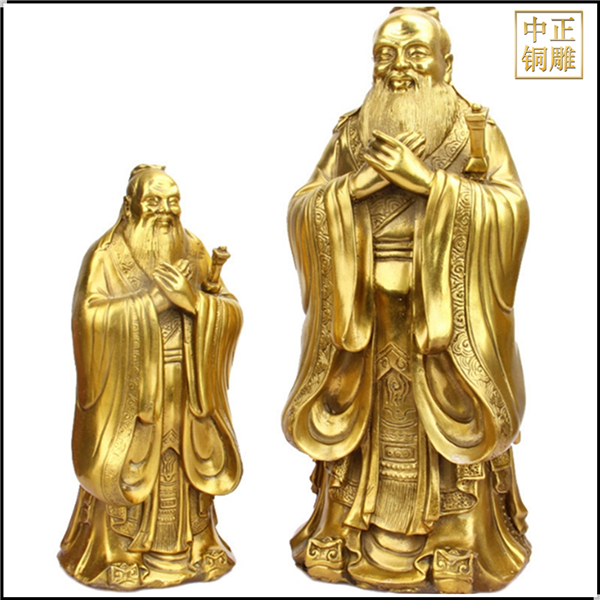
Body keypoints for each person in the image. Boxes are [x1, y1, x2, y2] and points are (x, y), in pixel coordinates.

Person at [283, 7, 531, 593]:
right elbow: (304, 205)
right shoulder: (352, 133)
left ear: (447, 63)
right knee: (357, 420)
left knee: (453, 418)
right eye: (385, 55)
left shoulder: (476, 131)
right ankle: (346, 524)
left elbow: (511, 209)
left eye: (416, 53)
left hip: (445, 318)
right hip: (362, 320)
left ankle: (456, 531)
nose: (399, 67)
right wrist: (355, 188)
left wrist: (427, 183)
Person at [58, 165, 243, 590]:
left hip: (188, 385)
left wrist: (196, 302)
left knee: (186, 461)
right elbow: (88, 319)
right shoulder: (105, 256)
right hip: (133, 391)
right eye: (154, 202)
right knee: (131, 462)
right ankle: (117, 550)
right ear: (130, 207)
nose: (165, 211)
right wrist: (155, 302)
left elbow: (228, 308)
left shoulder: (192, 248)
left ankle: (198, 544)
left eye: (173, 202)